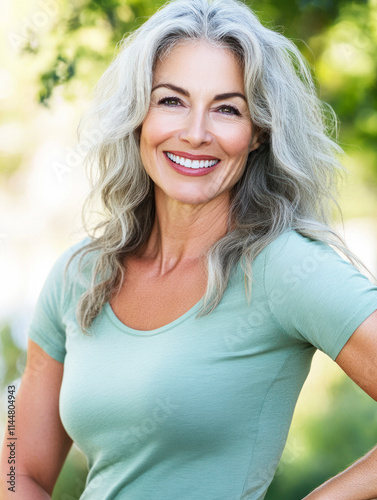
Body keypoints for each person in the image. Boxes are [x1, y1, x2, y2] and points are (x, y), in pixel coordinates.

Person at [1, 0, 377, 498]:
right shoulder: (79, 275)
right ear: (138, 116)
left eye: (227, 108)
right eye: (171, 101)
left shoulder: (286, 268)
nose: (196, 134)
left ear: (258, 132)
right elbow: (16, 466)